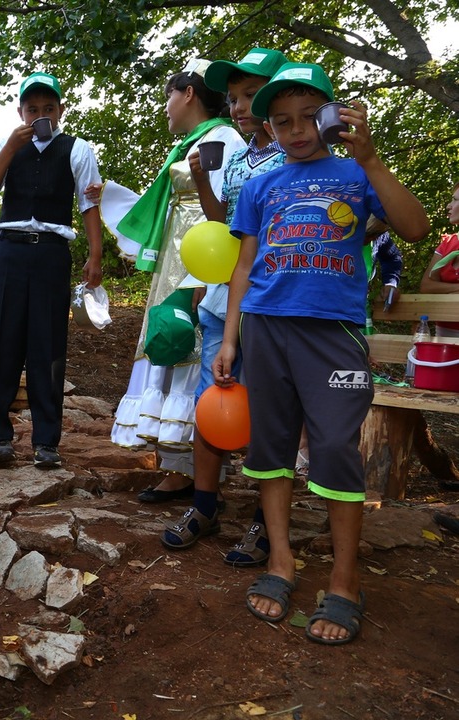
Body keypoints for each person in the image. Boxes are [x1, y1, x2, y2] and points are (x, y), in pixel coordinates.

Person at [216, 62, 428, 644]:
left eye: (310, 117)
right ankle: (280, 563)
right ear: (271, 130)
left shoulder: (357, 175)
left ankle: (344, 580)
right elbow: (242, 266)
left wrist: (374, 161)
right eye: (282, 122)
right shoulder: (260, 185)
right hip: (265, 329)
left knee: (335, 445)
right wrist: (231, 337)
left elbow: (413, 227)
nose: (298, 130)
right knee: (271, 446)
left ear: (333, 115)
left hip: (334, 336)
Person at [152, 48, 289, 559]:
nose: (238, 107)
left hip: (276, 303)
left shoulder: (298, 154)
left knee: (268, 414)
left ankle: (264, 521)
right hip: (223, 301)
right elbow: (222, 223)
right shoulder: (237, 154)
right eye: (233, 98)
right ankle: (205, 506)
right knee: (214, 402)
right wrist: (206, 178)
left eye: (251, 96)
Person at [110, 60, 246, 495]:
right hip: (177, 256)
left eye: (169, 95)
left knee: (191, 353)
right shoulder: (195, 141)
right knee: (171, 348)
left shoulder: (224, 138)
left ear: (188, 93)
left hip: (198, 262)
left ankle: (194, 473)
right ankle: (177, 463)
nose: (166, 106)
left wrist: (206, 280)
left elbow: (223, 215)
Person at [0, 71, 104, 469]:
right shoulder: (8, 145)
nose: (40, 115)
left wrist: (95, 254)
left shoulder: (78, 149)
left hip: (51, 254)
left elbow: (88, 204)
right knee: (3, 341)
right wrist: (9, 149)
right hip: (10, 252)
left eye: (49, 108)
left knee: (48, 346)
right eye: (33, 109)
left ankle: (46, 442)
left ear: (61, 110)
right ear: (21, 111)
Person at [419, 182, 459, 337]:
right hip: (445, 331)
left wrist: (444, 289)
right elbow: (426, 285)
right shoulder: (448, 243)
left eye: (455, 200)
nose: (449, 206)